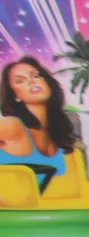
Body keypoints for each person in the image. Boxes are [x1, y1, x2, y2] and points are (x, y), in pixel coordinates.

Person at [0, 56, 78, 190]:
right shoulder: (13, 126)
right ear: (15, 96)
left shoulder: (57, 137)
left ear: (47, 83)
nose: (31, 81)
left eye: (36, 76)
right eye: (20, 81)